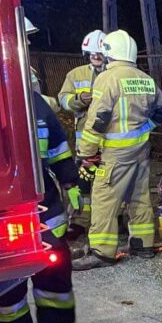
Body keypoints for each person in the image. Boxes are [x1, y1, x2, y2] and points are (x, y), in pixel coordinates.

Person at [73, 29, 162, 270]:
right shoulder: (145, 78)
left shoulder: (108, 78)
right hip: (140, 151)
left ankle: (102, 252)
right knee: (140, 196)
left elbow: (98, 118)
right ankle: (143, 244)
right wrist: (144, 128)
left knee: (104, 198)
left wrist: (85, 151)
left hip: (115, 154)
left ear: (109, 53)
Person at [0, 92, 80, 323]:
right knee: (10, 275)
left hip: (42, 202)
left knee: (54, 266)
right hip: (2, 206)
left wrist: (70, 181)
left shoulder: (35, 103)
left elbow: (57, 146)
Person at [57, 30, 107, 226]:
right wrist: (78, 100)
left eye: (99, 53)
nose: (95, 56)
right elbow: (63, 99)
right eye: (92, 53)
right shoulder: (76, 74)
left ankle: (114, 220)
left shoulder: (112, 75)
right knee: (83, 184)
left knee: (107, 185)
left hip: (109, 143)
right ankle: (81, 221)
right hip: (85, 143)